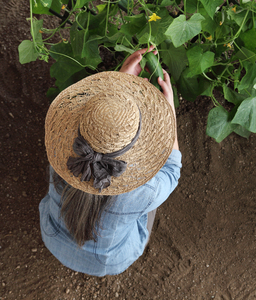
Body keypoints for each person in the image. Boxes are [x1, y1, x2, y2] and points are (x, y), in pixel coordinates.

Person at [39, 47, 181, 277]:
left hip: (52, 238)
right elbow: (173, 170)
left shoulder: (61, 153)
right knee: (149, 203)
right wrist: (170, 114)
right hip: (108, 261)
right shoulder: (145, 190)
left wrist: (117, 85)